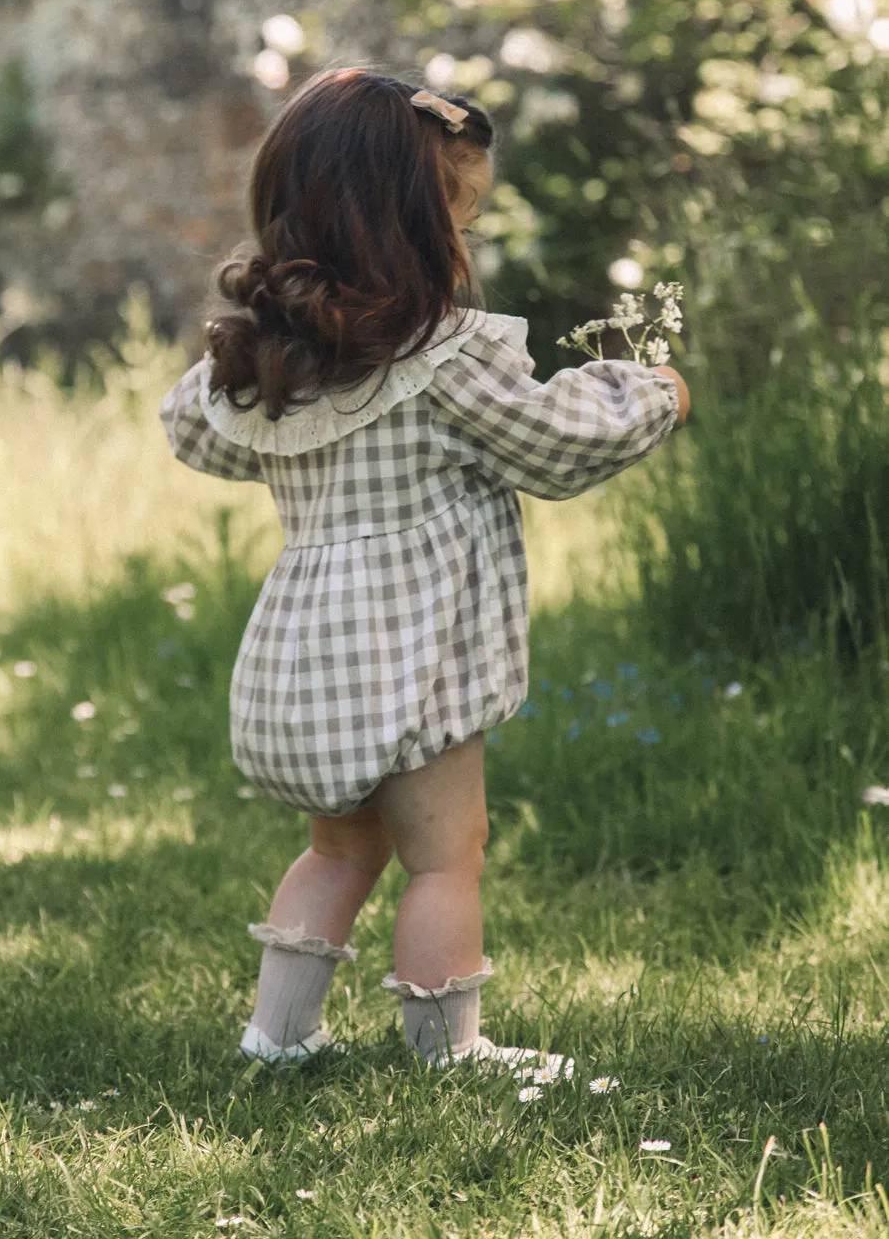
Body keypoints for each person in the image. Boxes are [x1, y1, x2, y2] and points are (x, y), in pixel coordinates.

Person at [159, 67, 689, 1075]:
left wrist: (270, 339)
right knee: (446, 854)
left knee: (338, 849)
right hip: (421, 657)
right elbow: (551, 443)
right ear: (405, 227)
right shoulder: (443, 361)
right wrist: (650, 391)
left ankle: (274, 1039)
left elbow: (196, 431)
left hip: (313, 663)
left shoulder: (280, 367)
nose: (462, 245)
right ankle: (448, 1049)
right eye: (458, 221)